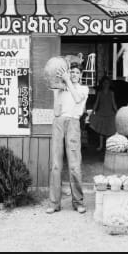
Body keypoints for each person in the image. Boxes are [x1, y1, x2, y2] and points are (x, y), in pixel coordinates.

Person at [47, 62, 89, 214]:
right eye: (72, 72)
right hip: (59, 123)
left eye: (77, 72)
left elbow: (78, 100)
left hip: (73, 123)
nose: (74, 75)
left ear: (81, 75)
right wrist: (59, 90)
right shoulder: (61, 88)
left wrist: (68, 82)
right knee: (56, 165)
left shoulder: (83, 89)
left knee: (74, 165)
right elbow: (57, 112)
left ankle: (78, 202)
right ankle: (54, 203)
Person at [88, 76, 118, 152]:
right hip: (101, 113)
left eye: (107, 83)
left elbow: (114, 103)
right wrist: (92, 112)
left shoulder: (111, 93)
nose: (106, 84)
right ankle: (101, 146)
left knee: (108, 131)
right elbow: (96, 103)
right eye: (104, 83)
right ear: (102, 84)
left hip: (110, 113)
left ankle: (107, 146)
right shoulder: (99, 93)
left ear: (109, 84)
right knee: (101, 131)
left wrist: (117, 112)